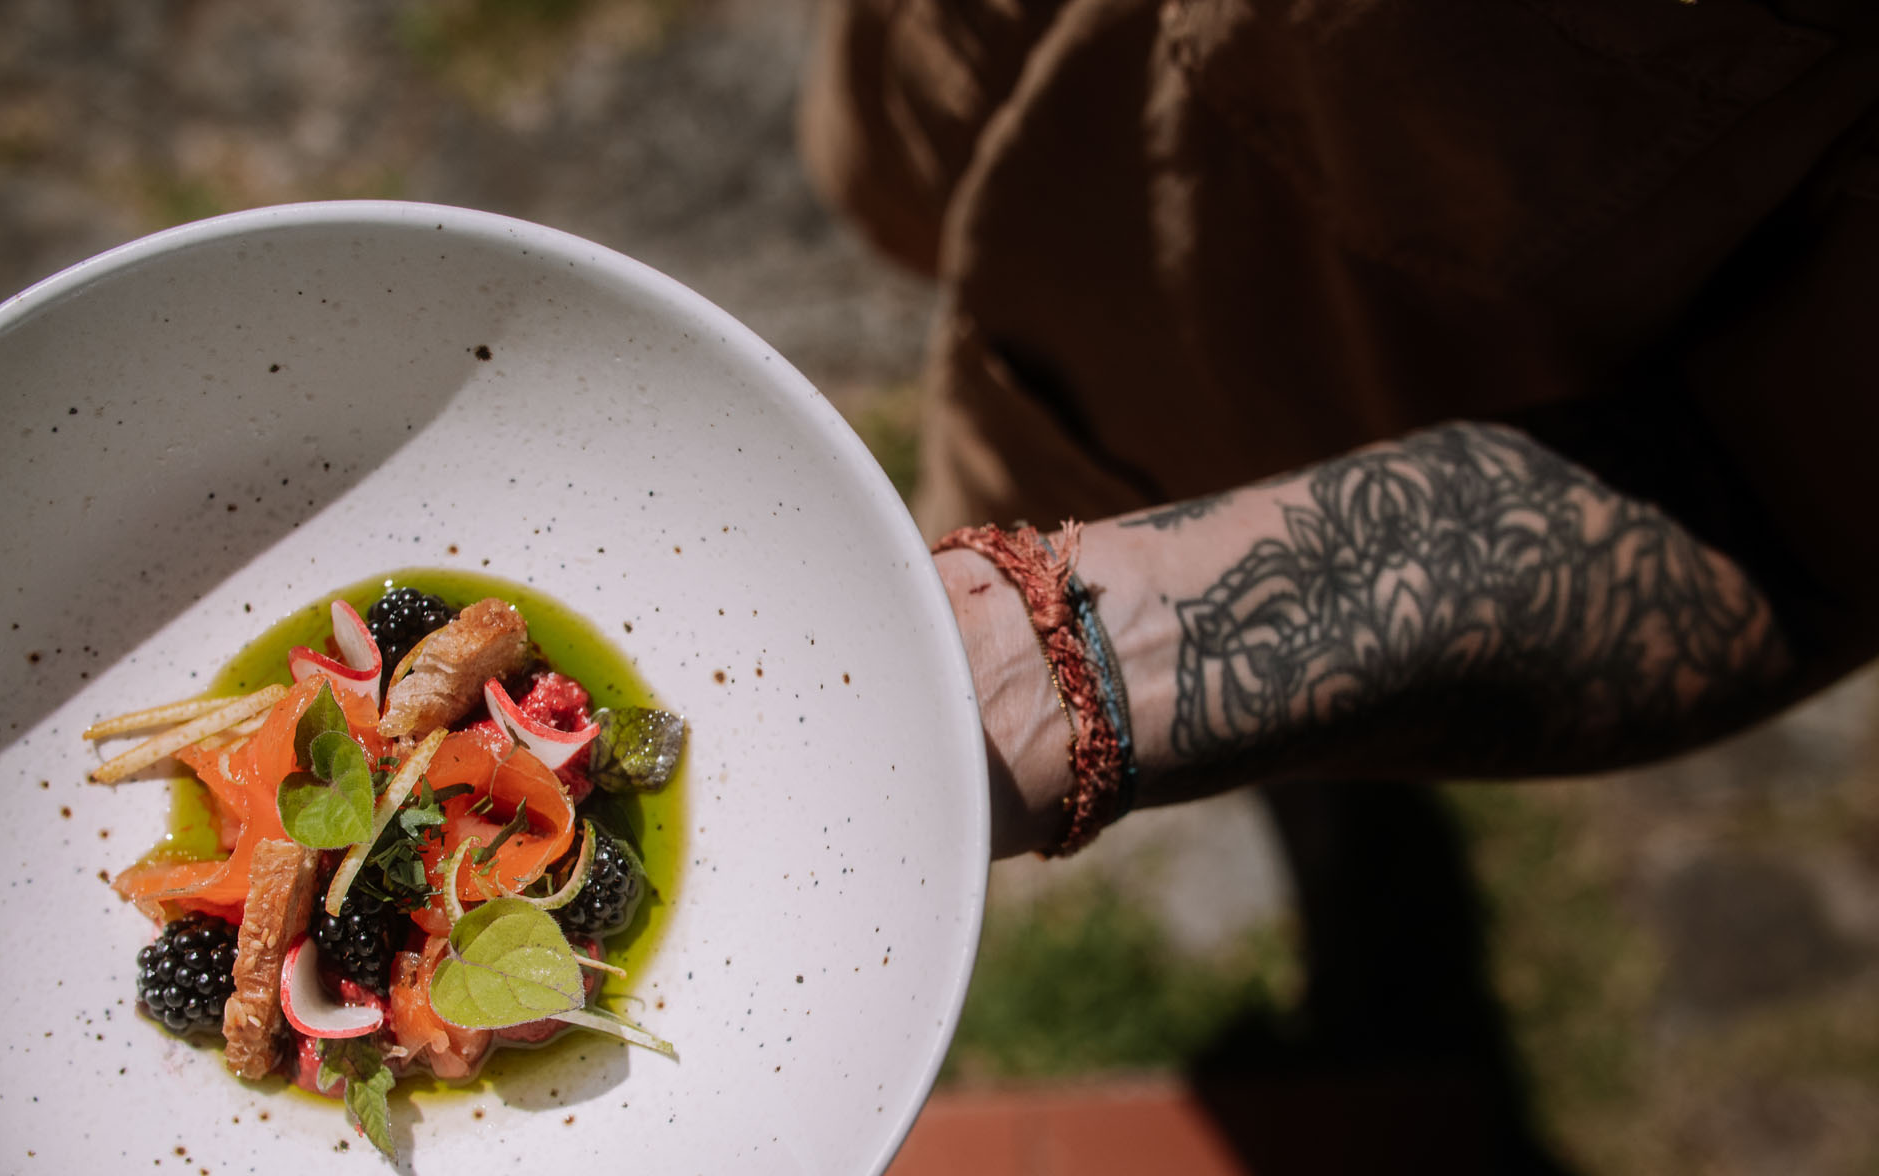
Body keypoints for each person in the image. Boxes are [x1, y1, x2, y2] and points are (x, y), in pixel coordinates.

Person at [798, 0, 1879, 857]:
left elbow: (1788, 497)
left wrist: (1071, 662)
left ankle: (1296, 774)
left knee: (1001, 509)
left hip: (1272, 366)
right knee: (886, 179)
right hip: (962, 51)